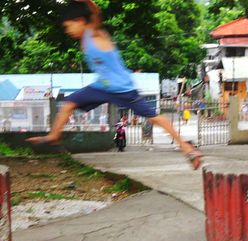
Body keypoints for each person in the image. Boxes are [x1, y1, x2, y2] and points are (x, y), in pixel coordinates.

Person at [26, 0, 202, 170]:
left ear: (80, 21)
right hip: (102, 87)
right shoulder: (83, 40)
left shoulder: (93, 32)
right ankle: (53, 137)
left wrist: (87, 1)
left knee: (154, 117)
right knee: (68, 104)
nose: (67, 31)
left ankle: (187, 148)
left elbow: (96, 14)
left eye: (68, 26)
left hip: (122, 88)